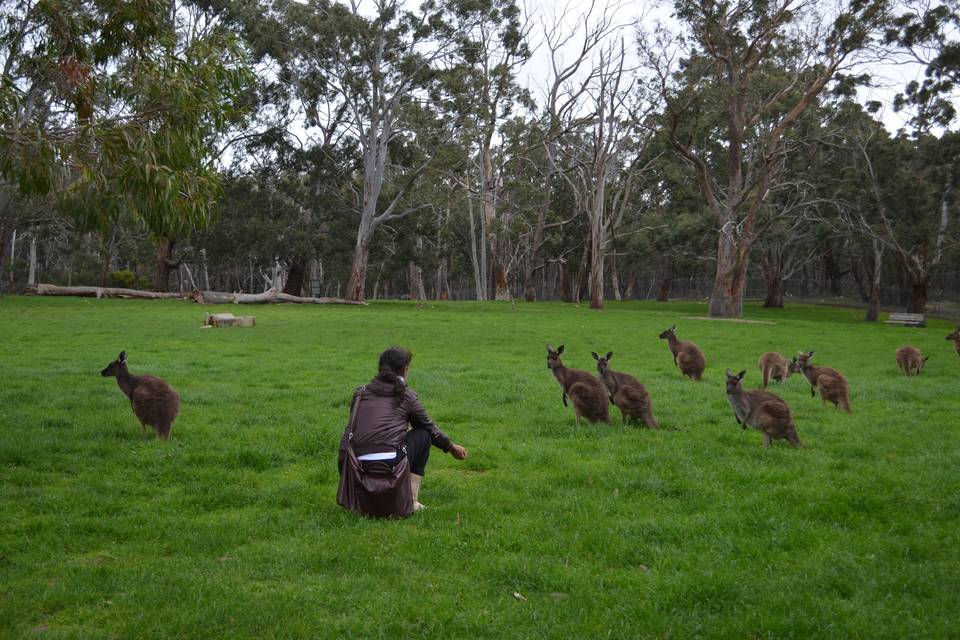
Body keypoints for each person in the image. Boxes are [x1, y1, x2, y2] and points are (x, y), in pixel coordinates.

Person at [337, 347, 467, 518]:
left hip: (355, 465)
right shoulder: (406, 395)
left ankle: (362, 499)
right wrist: (451, 447)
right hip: (390, 465)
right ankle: (411, 501)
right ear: (405, 369)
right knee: (422, 434)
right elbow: (429, 428)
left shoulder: (360, 393)